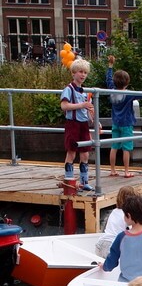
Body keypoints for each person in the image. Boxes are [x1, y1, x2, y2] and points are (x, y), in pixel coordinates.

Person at [105, 55, 142, 178]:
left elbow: (108, 78)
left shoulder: (111, 90)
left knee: (114, 146)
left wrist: (110, 66)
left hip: (115, 122)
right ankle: (126, 171)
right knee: (126, 148)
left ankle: (112, 170)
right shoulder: (128, 94)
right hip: (126, 123)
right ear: (127, 82)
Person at [60, 58, 95, 191]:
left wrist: (92, 116)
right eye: (80, 72)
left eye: (85, 72)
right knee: (72, 151)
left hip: (83, 124)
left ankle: (84, 180)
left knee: (85, 153)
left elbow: (88, 108)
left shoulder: (85, 91)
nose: (83, 75)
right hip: (73, 124)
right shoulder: (68, 89)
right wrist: (82, 105)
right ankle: (69, 180)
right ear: (74, 73)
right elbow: (64, 106)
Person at [95, 185, 136, 259]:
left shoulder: (114, 211)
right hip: (112, 245)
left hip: (101, 243)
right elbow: (133, 233)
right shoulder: (128, 215)